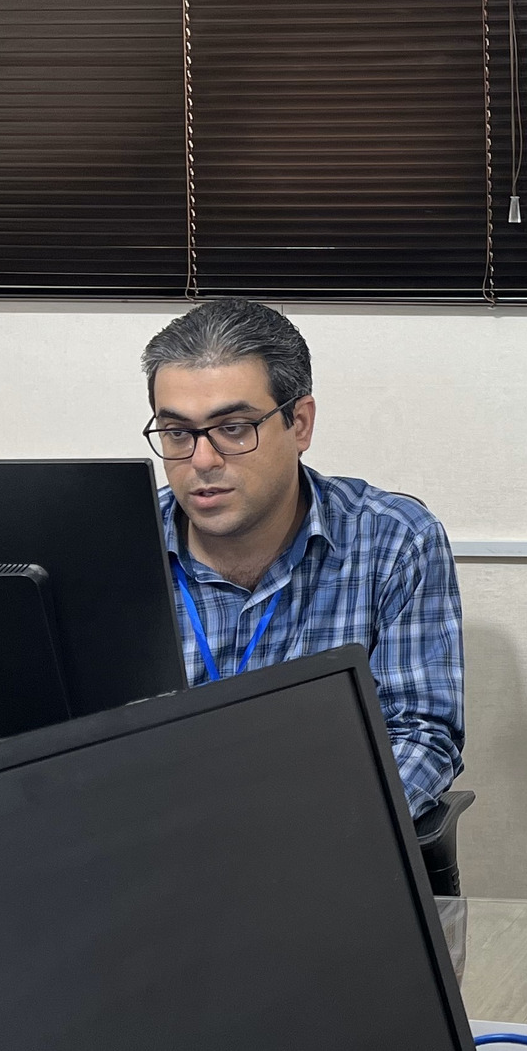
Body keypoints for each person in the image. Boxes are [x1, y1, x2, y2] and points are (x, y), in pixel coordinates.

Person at [140, 299, 464, 818]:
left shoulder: (392, 540)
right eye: (178, 433)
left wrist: (314, 830)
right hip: (152, 833)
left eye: (233, 428)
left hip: (324, 828)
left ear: (300, 424)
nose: (201, 460)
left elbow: (420, 734)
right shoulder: (116, 547)